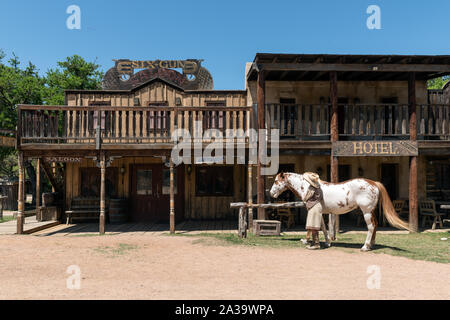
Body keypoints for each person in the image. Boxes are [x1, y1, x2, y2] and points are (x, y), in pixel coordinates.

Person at [302, 172, 323, 250]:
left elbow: (306, 197)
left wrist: (305, 200)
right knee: (314, 226)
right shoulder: (319, 188)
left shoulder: (312, 188)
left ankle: (316, 244)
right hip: (317, 206)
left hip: (314, 206)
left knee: (313, 226)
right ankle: (315, 243)